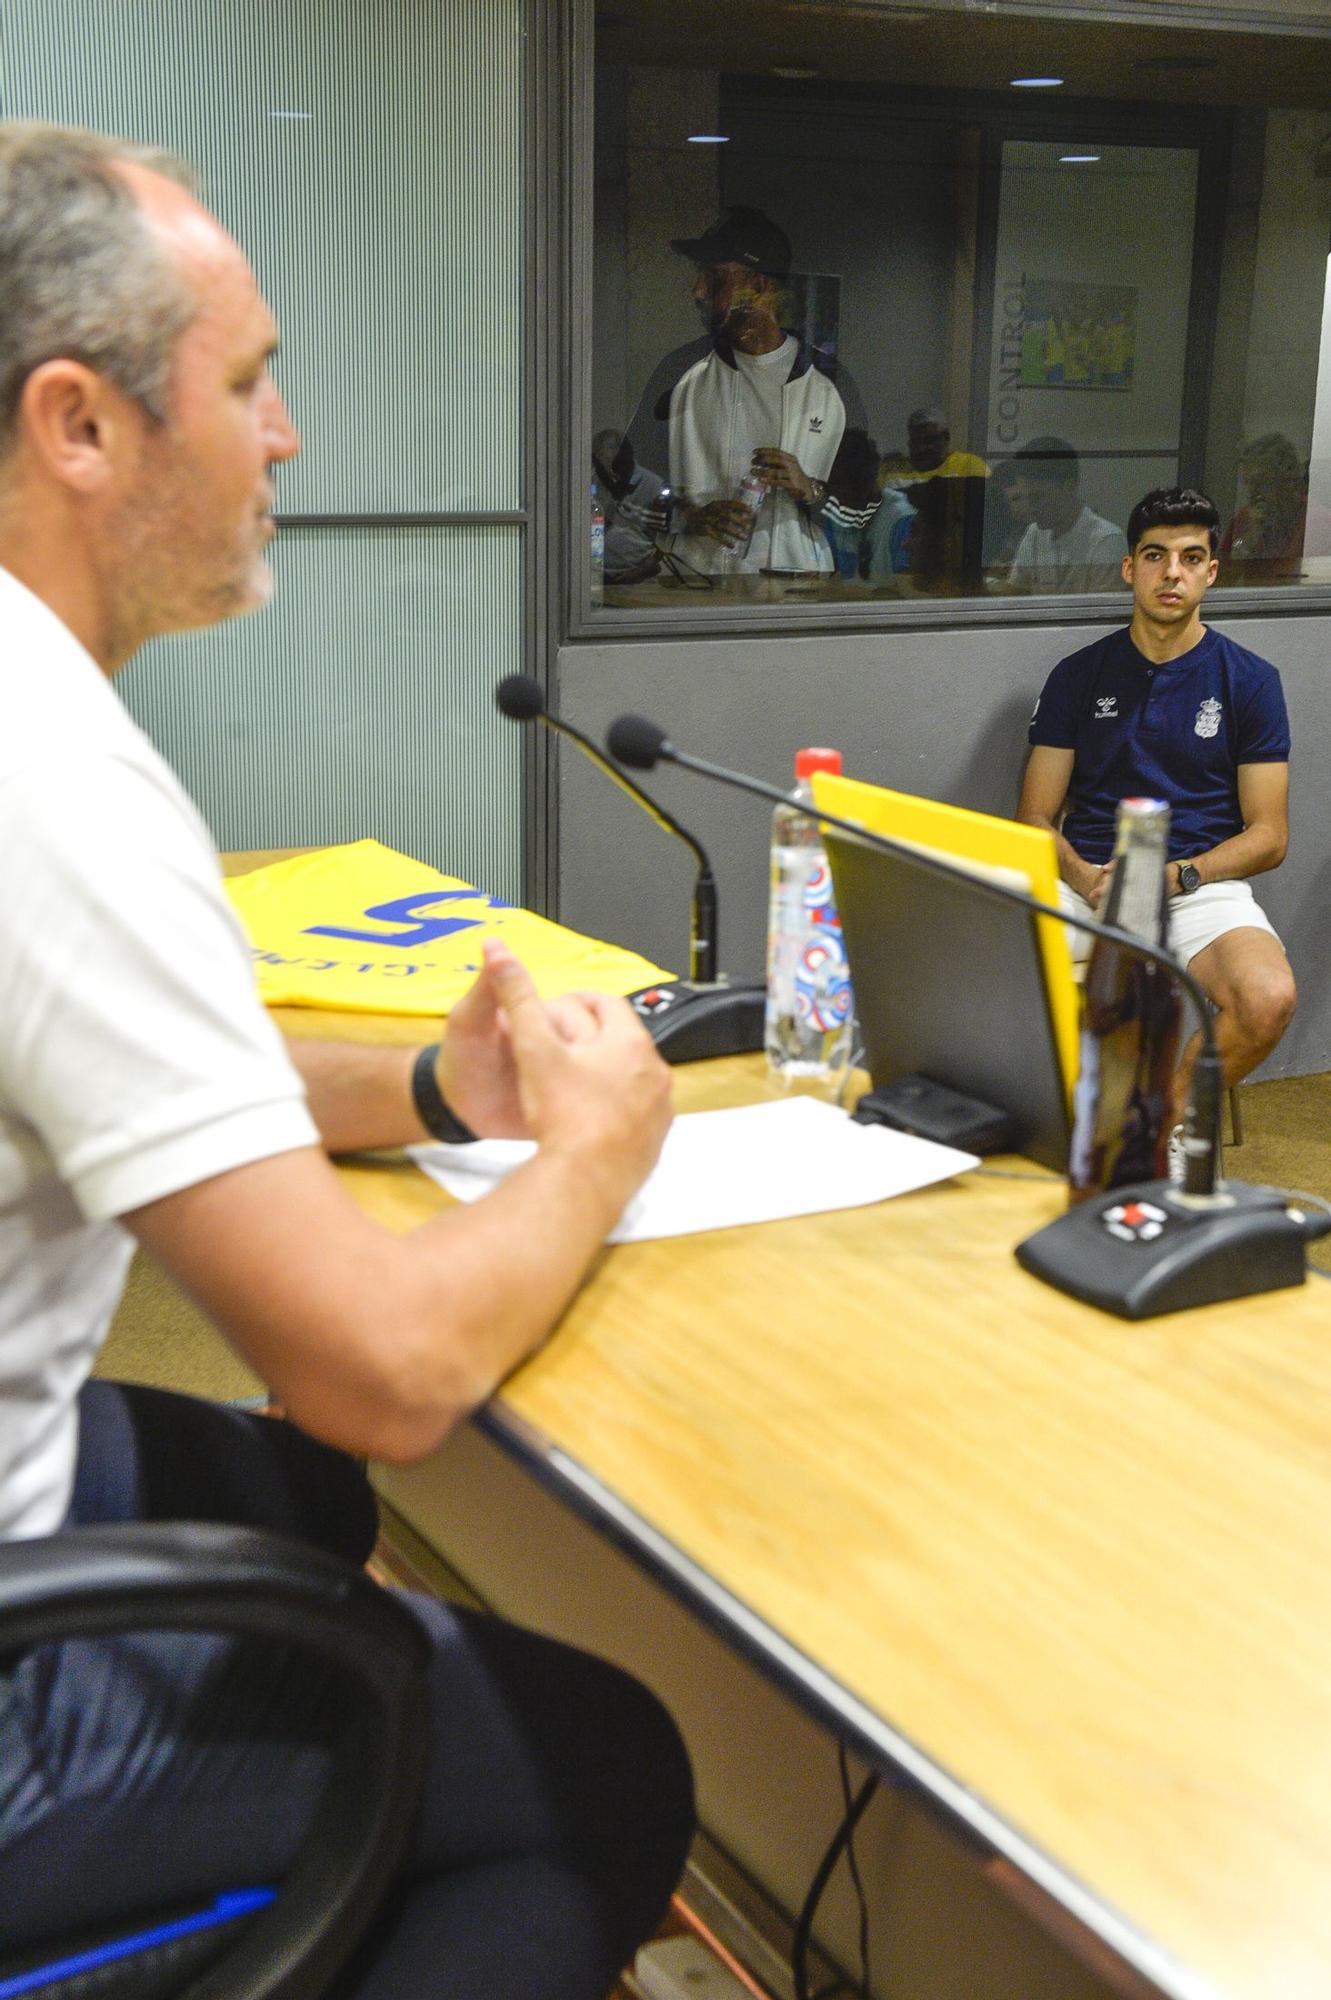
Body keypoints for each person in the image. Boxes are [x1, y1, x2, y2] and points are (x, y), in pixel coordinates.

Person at [0, 120, 693, 1997]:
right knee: (601, 1766)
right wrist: (590, 1156)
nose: (285, 437)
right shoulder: (46, 775)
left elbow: (121, 1072)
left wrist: (434, 1097)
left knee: (294, 1509)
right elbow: (379, 1375)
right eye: (248, 383)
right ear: (80, 425)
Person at [1017, 486, 1296, 1153]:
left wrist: (1174, 876)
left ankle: (1161, 1120)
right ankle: (1040, 1136)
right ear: (1128, 567)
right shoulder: (1077, 675)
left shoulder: (1249, 681)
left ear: (1210, 572)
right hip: (1087, 882)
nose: (1171, 572)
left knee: (1267, 998)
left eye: (1189, 557)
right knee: (993, 976)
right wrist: (1086, 877)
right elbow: (1033, 816)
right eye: (1154, 556)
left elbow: (1268, 836)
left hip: (1193, 883)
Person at [631, 206, 851, 579]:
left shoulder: (829, 385)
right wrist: (690, 516)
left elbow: (863, 511)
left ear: (760, 287)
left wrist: (809, 490)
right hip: (694, 587)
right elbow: (627, 489)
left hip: (793, 595)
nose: (698, 291)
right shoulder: (679, 372)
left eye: (714, 278)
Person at [1003, 437, 1127, 594]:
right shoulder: (1034, 534)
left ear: (1069, 486)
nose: (1029, 507)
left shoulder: (1106, 540)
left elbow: (1105, 616)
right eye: (1025, 497)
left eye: (1038, 497)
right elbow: (1015, 595)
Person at [1220, 431, 1331, 578]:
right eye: (1249, 483)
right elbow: (1223, 576)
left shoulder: (1318, 521)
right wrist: (1249, 539)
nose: (1253, 493)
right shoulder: (1245, 516)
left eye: (1261, 482)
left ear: (1288, 481)